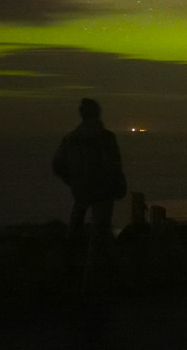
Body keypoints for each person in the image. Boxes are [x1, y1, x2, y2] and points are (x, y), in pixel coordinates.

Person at [52, 98, 126, 295]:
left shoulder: (71, 138)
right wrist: (119, 187)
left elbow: (57, 165)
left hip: (81, 191)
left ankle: (68, 273)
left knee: (77, 227)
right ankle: (90, 286)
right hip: (102, 192)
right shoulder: (105, 137)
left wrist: (73, 181)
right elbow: (114, 166)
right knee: (98, 235)